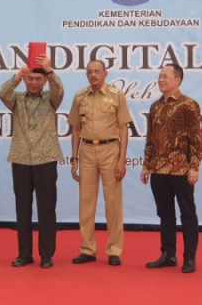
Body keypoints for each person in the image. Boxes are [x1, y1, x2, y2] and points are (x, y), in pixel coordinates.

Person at [0, 53, 64, 269]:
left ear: (44, 81)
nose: (34, 83)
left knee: (47, 209)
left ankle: (46, 255)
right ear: (26, 80)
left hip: (46, 159)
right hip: (21, 160)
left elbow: (60, 90)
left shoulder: (50, 99)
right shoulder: (16, 99)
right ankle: (24, 255)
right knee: (22, 209)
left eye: (38, 79)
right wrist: (18, 76)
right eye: (31, 79)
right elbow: (2, 92)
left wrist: (50, 70)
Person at [140, 63, 202, 274]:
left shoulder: (189, 105)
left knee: (188, 213)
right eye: (159, 76)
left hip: (181, 169)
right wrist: (146, 165)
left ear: (177, 80)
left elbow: (196, 138)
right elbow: (150, 139)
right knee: (165, 214)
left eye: (165, 76)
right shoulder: (155, 107)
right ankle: (168, 254)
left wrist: (194, 166)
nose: (160, 80)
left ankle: (189, 258)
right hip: (158, 169)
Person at [68, 60, 131, 266]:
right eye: (89, 72)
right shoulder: (80, 97)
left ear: (105, 73)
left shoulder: (116, 95)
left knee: (113, 203)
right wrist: (74, 158)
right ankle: (87, 249)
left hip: (110, 150)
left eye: (97, 71)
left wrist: (122, 159)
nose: (93, 75)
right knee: (86, 202)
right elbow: (75, 129)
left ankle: (114, 249)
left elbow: (123, 128)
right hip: (86, 151)